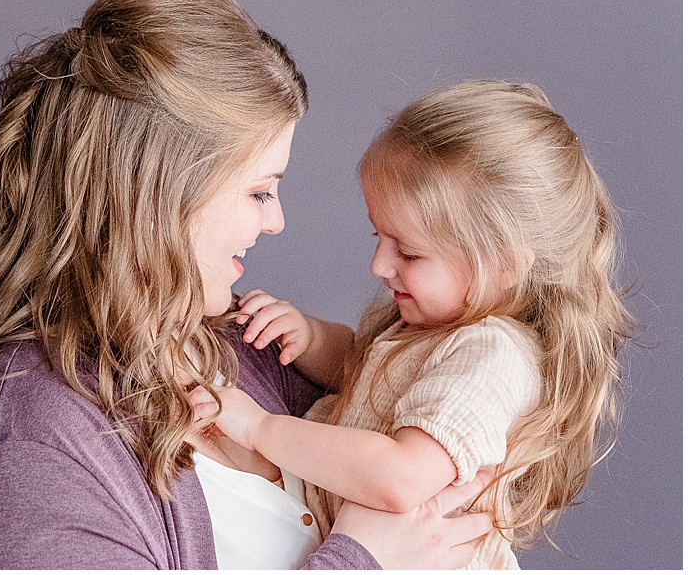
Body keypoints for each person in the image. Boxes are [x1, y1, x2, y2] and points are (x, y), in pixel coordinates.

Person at [0, 0, 495, 569]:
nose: (277, 221)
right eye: (260, 192)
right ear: (157, 199)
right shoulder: (24, 454)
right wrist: (364, 562)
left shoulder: (245, 347)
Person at [198, 80, 633, 569]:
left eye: (408, 251)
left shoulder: (492, 357)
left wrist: (259, 428)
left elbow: (400, 479)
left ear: (506, 265)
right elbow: (370, 377)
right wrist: (312, 337)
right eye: (378, 235)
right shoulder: (436, 327)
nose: (380, 265)